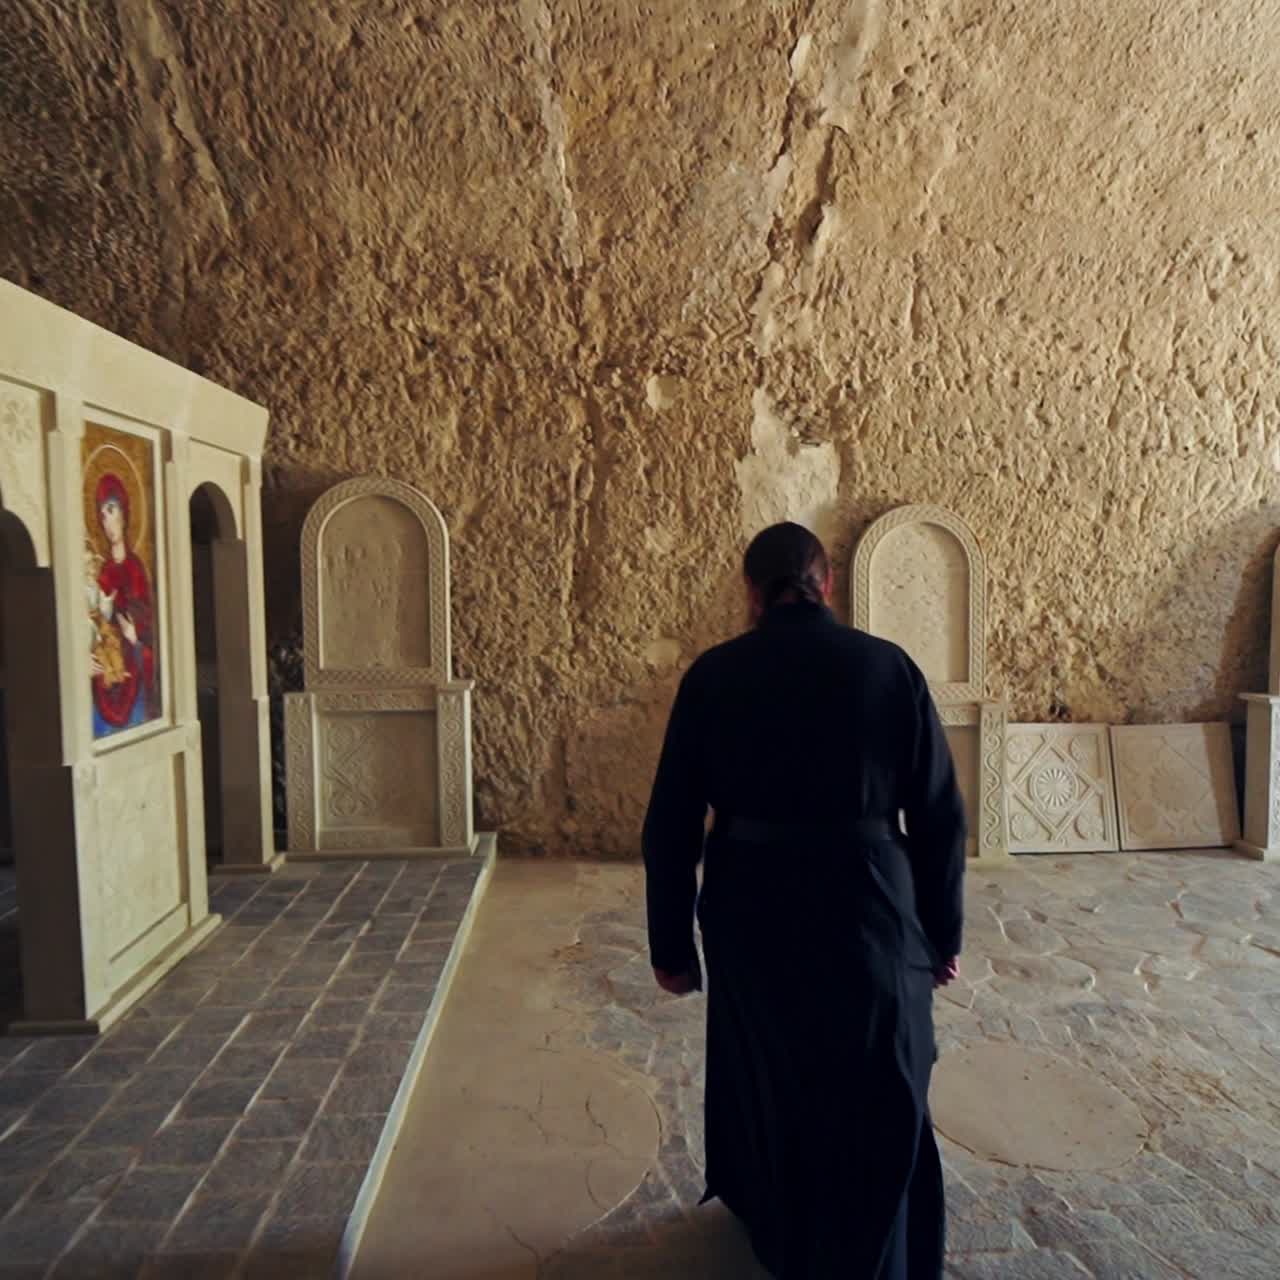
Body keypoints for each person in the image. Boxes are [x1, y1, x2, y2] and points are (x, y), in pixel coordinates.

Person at [642, 521, 966, 1280]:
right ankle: (877, 1250)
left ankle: (787, 1235)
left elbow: (672, 823)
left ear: (749, 592)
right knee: (882, 1073)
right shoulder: (889, 668)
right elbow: (942, 818)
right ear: (829, 586)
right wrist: (940, 936)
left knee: (773, 1073)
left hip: (751, 907)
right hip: (874, 905)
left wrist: (670, 949)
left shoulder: (713, 675)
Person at [89, 473, 158, 737]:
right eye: (102, 513)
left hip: (134, 667)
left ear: (125, 513)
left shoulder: (136, 569)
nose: (107, 520)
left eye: (111, 509)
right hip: (107, 668)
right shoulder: (101, 571)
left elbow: (149, 621)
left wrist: (136, 635)